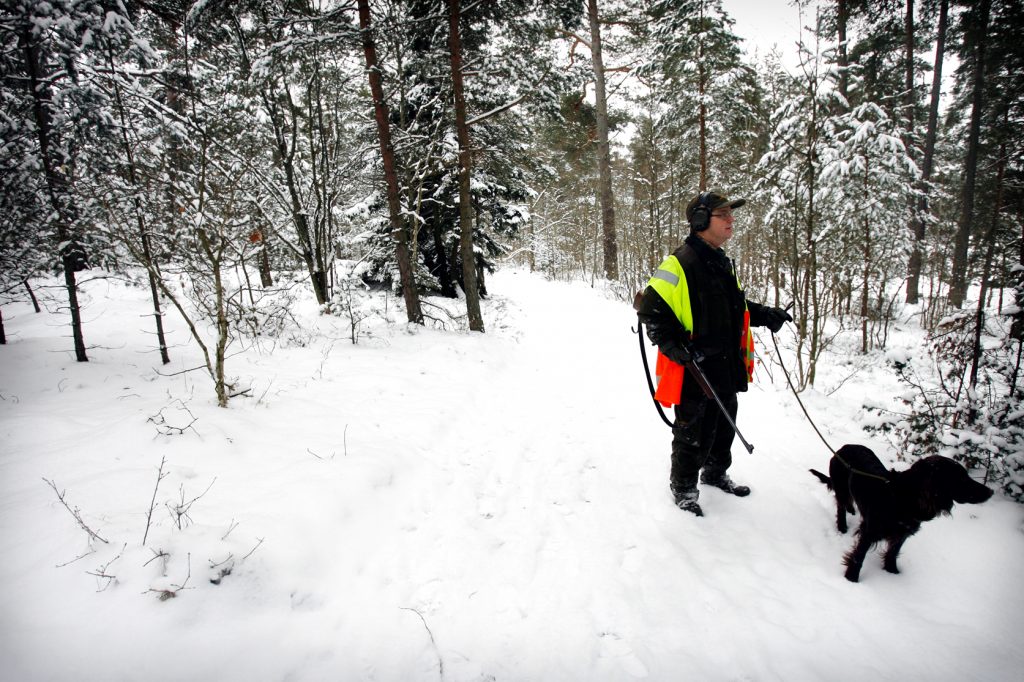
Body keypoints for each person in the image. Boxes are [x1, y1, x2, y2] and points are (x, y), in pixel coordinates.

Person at [636, 190, 792, 516]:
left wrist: (766, 315)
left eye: (730, 214)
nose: (731, 220)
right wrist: (675, 348)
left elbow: (735, 308)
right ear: (700, 221)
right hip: (696, 367)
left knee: (725, 423)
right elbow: (650, 312)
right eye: (724, 215)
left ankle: (716, 472)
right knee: (692, 430)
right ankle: (684, 489)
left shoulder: (720, 262)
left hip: (726, 363)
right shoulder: (679, 263)